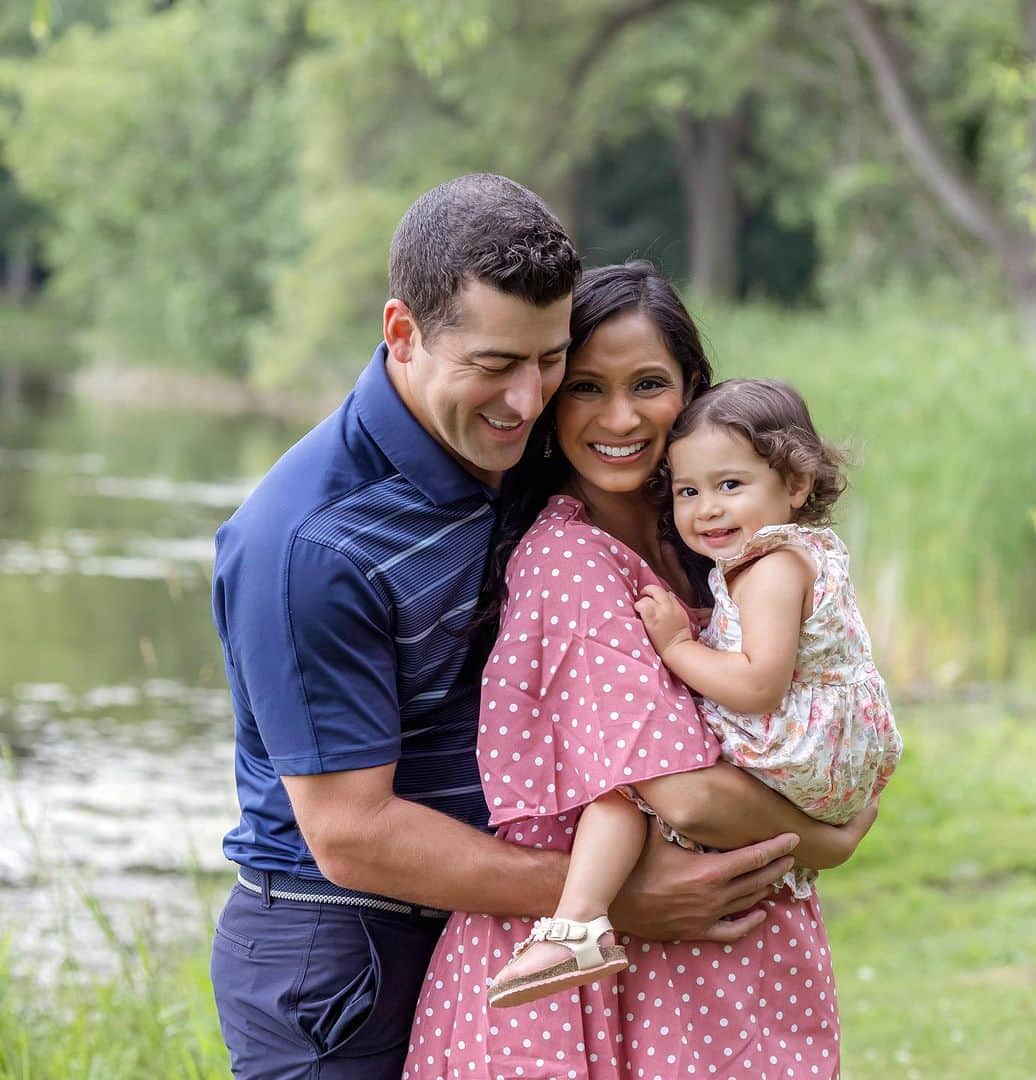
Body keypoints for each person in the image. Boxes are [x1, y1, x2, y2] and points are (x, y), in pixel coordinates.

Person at [208, 181, 844, 1080]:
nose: (527, 397)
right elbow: (349, 834)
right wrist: (612, 899)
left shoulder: (529, 468)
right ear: (403, 334)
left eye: (549, 363)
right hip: (343, 944)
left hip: (489, 912)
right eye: (497, 364)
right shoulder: (309, 541)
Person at [403, 261, 875, 1079]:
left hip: (713, 956)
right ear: (550, 399)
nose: (618, 417)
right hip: (590, 978)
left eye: (648, 383)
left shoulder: (714, 541)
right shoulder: (569, 560)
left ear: (692, 388)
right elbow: (683, 792)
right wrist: (825, 840)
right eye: (585, 387)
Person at [636, 379, 903, 898]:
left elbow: (760, 686)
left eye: (730, 485)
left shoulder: (772, 570)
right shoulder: (795, 554)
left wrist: (676, 648)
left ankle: (585, 913)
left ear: (796, 485)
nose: (707, 508)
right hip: (834, 749)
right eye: (688, 491)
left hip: (798, 748)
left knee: (634, 780)